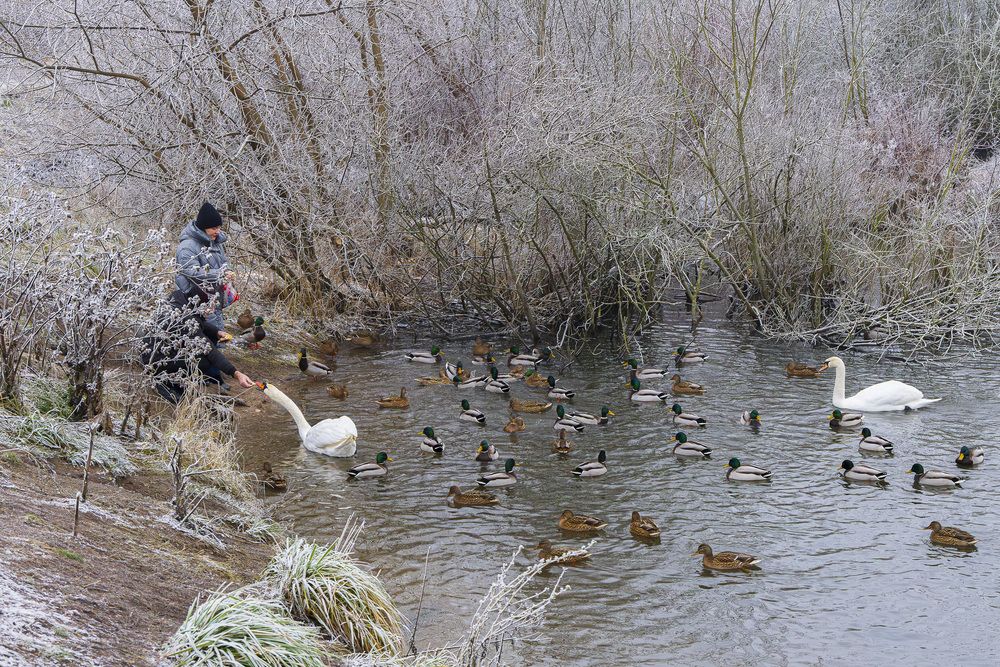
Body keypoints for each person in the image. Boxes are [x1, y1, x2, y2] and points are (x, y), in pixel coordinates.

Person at [141, 284, 255, 404]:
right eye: (210, 306)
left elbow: (198, 321)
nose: (211, 311)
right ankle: (166, 382)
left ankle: (174, 378)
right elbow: (210, 351)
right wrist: (236, 373)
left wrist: (217, 332)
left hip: (153, 350)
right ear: (202, 302)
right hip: (156, 361)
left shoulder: (179, 298)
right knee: (203, 361)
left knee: (206, 341)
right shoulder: (185, 321)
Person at [175, 201, 233, 331]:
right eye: (214, 228)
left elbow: (223, 262)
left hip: (212, 297)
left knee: (214, 332)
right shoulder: (187, 247)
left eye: (219, 227)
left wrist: (228, 272)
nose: (218, 231)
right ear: (203, 228)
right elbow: (191, 272)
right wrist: (219, 274)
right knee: (200, 335)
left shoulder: (214, 242)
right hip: (194, 301)